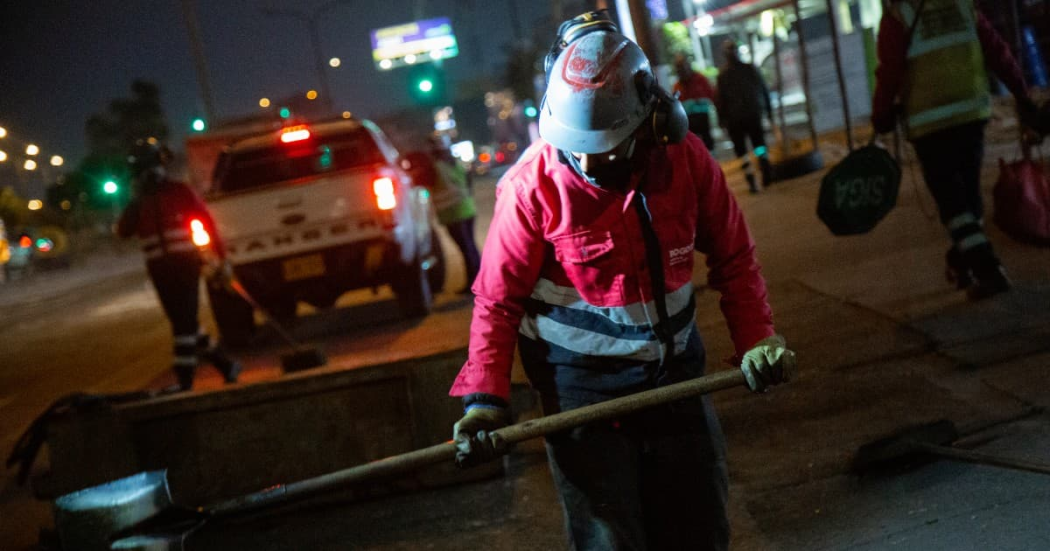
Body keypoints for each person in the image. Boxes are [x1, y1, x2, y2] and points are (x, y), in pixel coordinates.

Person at [449, 11, 795, 551]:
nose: (584, 159)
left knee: (698, 531)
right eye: (573, 144)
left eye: (602, 146)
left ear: (651, 123)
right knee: (610, 540)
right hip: (581, 394)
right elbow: (496, 302)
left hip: (676, 376)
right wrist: (483, 400)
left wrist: (758, 338)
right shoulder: (530, 189)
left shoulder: (685, 161)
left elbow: (734, 257)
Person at [871, 0, 1041, 299]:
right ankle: (962, 261)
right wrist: (1021, 93)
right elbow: (997, 50)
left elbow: (889, 72)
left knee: (954, 205)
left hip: (930, 125)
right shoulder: (962, 5)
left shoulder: (898, 15)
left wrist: (882, 116)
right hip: (970, 116)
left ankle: (989, 269)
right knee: (968, 199)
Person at [116, 139, 241, 390]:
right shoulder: (139, 202)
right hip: (160, 271)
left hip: (185, 266)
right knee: (185, 323)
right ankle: (226, 365)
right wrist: (135, 201)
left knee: (183, 325)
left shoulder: (179, 191)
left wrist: (222, 259)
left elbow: (207, 222)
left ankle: (185, 380)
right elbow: (123, 231)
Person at [716, 39, 775, 194]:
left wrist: (722, 120)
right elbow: (763, 90)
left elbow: (720, 101)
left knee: (748, 150)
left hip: (739, 118)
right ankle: (763, 174)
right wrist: (768, 110)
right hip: (747, 116)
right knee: (756, 147)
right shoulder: (747, 69)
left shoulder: (725, 75)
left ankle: (759, 176)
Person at [425, 135, 481, 293]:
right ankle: (480, 280)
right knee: (470, 247)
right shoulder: (456, 162)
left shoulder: (435, 168)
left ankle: (474, 283)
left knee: (466, 249)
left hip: (453, 214)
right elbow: (468, 181)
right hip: (467, 209)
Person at [672, 52, 717, 151]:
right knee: (692, 144)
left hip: (703, 118)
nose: (683, 70)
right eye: (679, 67)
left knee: (707, 141)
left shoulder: (700, 79)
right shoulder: (677, 86)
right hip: (688, 122)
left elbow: (711, 94)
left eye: (684, 66)